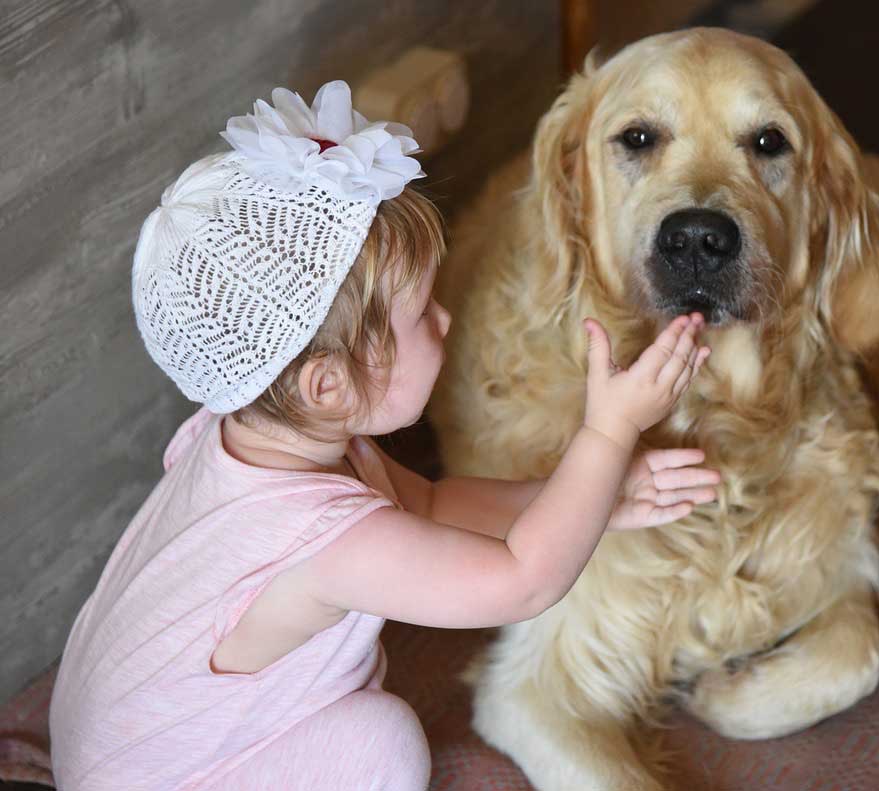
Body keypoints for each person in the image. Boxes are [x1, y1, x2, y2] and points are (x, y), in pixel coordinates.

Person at [49, 80, 716, 791]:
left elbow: (429, 508)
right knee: (381, 741)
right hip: (160, 776)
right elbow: (522, 580)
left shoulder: (258, 431)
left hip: (115, 739)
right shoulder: (329, 542)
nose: (447, 321)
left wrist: (595, 498)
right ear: (329, 384)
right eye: (423, 312)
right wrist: (608, 434)